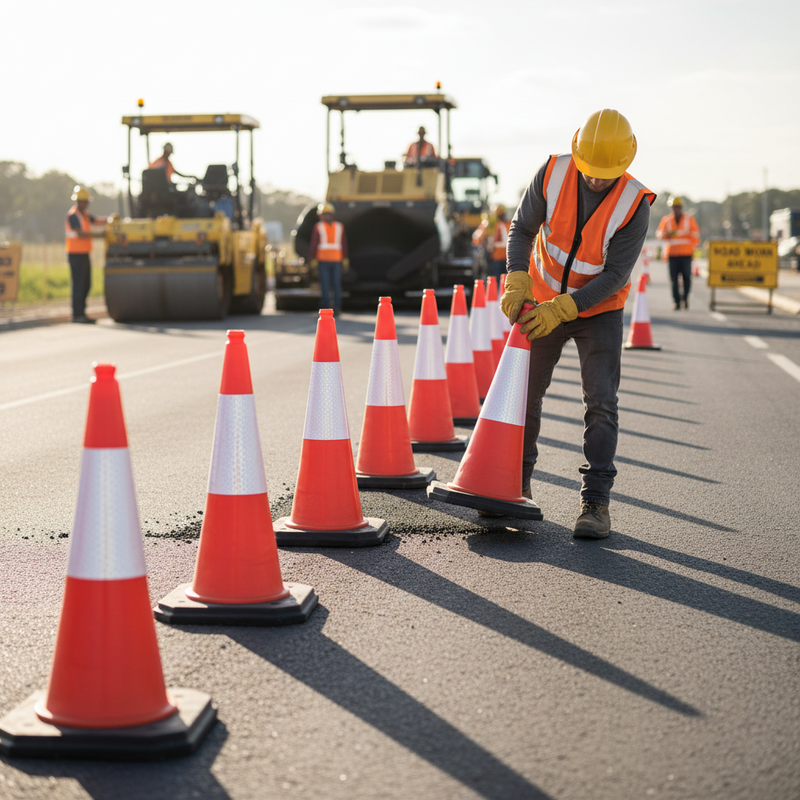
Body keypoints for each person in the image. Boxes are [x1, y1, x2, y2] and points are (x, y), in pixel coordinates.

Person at [500, 109, 655, 538]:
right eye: (589, 169)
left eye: (605, 174)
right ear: (577, 151)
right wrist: (517, 278)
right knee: (524, 396)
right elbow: (522, 229)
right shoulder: (552, 173)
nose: (595, 179)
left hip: (598, 311)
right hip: (541, 301)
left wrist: (566, 308)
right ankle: (515, 487)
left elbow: (615, 275)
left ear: (624, 164)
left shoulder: (634, 204)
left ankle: (596, 504)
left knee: (601, 403)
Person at [65, 186, 113, 323]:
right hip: (75, 254)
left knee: (86, 284)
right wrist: (100, 235)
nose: (85, 204)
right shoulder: (73, 215)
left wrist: (111, 219)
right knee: (79, 285)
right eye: (83, 201)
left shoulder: (84, 214)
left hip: (84, 253)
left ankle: (82, 313)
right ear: (78, 201)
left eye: (86, 201)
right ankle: (77, 315)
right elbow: (80, 233)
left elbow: (96, 220)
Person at [656, 196, 700, 310]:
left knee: (687, 278)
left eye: (678, 207)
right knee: (674, 280)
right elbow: (660, 234)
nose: (676, 209)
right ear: (671, 208)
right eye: (674, 207)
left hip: (686, 254)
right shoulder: (666, 220)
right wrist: (666, 234)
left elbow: (696, 235)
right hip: (673, 254)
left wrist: (687, 236)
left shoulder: (689, 219)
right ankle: (676, 302)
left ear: (681, 207)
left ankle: (685, 299)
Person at [308, 203, 349, 315]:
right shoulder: (337, 226)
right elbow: (344, 244)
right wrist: (345, 258)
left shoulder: (320, 226)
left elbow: (314, 244)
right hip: (332, 260)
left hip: (328, 260)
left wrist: (312, 258)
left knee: (329, 285)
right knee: (333, 285)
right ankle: (333, 309)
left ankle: (329, 310)